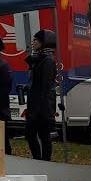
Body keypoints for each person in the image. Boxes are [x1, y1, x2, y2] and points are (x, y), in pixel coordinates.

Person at [24, 30, 57, 161]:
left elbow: (46, 87)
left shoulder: (47, 61)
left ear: (43, 43)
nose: (33, 43)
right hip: (34, 105)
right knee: (31, 134)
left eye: (36, 40)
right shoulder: (37, 59)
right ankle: (38, 158)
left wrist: (39, 109)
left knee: (43, 136)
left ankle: (44, 160)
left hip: (41, 108)